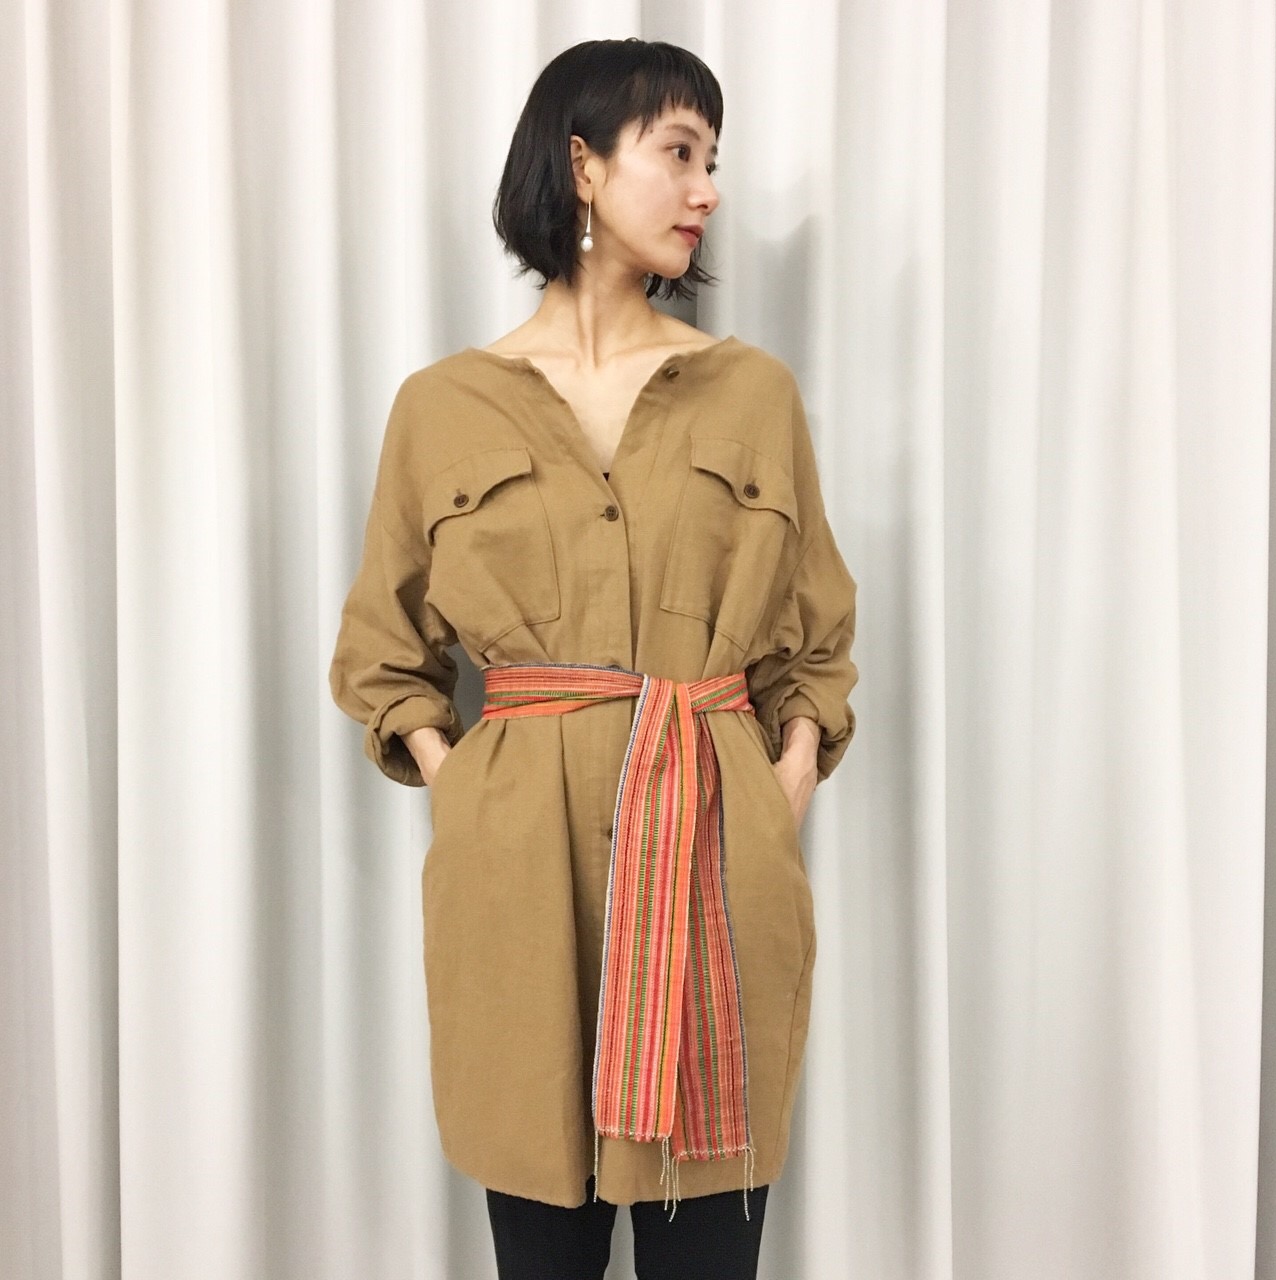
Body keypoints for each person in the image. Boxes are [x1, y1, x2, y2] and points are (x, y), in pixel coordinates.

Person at [328, 37, 859, 1280]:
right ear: (580, 164)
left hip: (715, 871)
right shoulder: (442, 405)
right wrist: (461, 778)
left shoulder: (749, 394)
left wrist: (780, 782)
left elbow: (814, 637)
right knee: (541, 1252)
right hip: (518, 890)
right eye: (678, 151)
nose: (706, 188)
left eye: (712, 159)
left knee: (705, 1248)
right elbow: (384, 649)